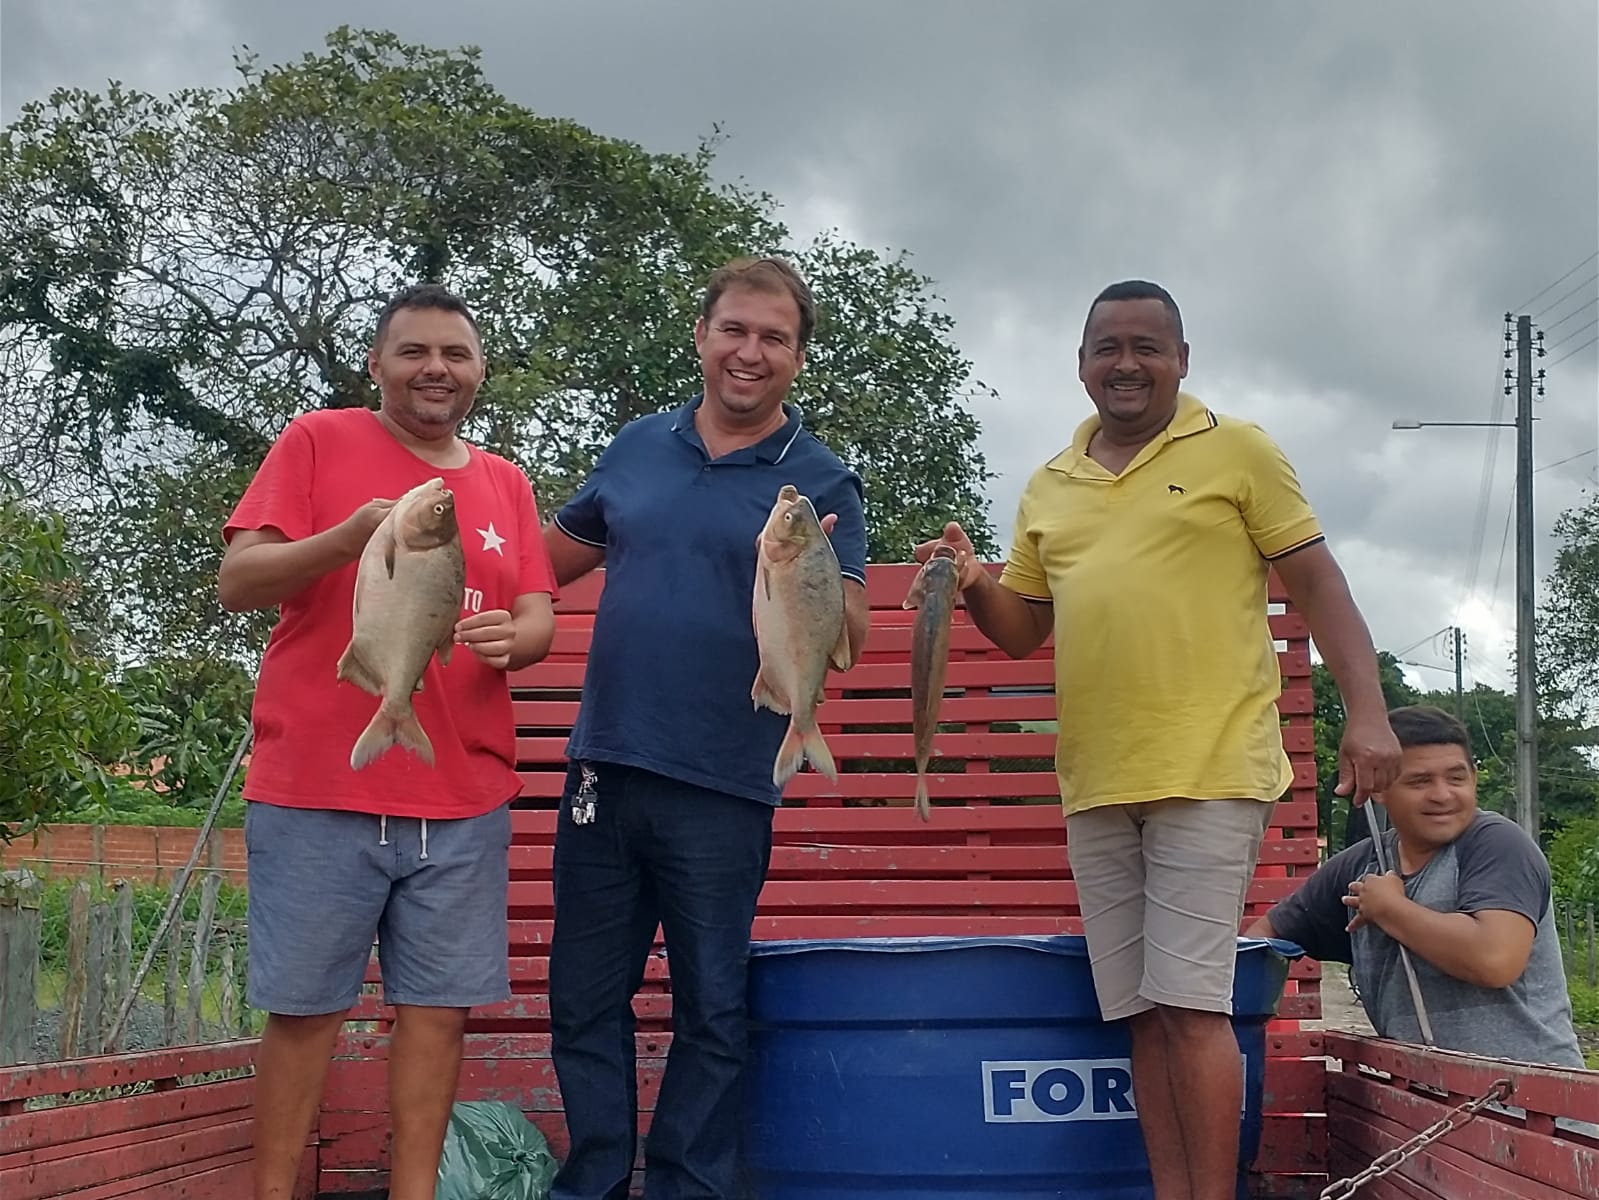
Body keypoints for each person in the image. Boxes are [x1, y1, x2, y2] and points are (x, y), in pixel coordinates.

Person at [914, 279, 1402, 1200]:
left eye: (1148, 346)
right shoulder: (1049, 486)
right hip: (1096, 779)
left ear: (1182, 360)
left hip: (1209, 765)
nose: (1126, 364)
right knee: (1141, 1016)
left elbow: (1320, 584)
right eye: (1108, 347)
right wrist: (975, 580)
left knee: (1191, 1006)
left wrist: (1368, 716)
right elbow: (1023, 630)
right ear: (1083, 363)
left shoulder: (1238, 450)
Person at [217, 283, 559, 1200]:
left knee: (437, 1018)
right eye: (413, 351)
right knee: (302, 1014)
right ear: (376, 363)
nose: (435, 369)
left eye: (455, 353)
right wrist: (347, 538)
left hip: (461, 798)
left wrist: (519, 640)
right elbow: (238, 580)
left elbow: (535, 613)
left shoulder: (505, 483)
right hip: (316, 786)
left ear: (480, 370)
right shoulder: (316, 440)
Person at [541, 255, 869, 1200]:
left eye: (774, 337)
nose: (749, 351)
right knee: (583, 1002)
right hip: (607, 764)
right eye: (734, 329)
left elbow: (845, 640)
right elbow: (546, 559)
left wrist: (819, 583)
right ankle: (594, 1182)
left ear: (798, 358)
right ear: (701, 335)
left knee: (713, 1009)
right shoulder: (636, 446)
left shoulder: (819, 480)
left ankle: (688, 1185)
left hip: (728, 778)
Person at [1250, 705, 1585, 1068]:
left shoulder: (1496, 844)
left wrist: (1390, 909)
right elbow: (1264, 937)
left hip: (1528, 1109)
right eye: (1419, 781)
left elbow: (1495, 959)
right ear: (1378, 788)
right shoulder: (1362, 864)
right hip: (1423, 1108)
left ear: (1473, 778)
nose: (1442, 795)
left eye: (1456, 778)